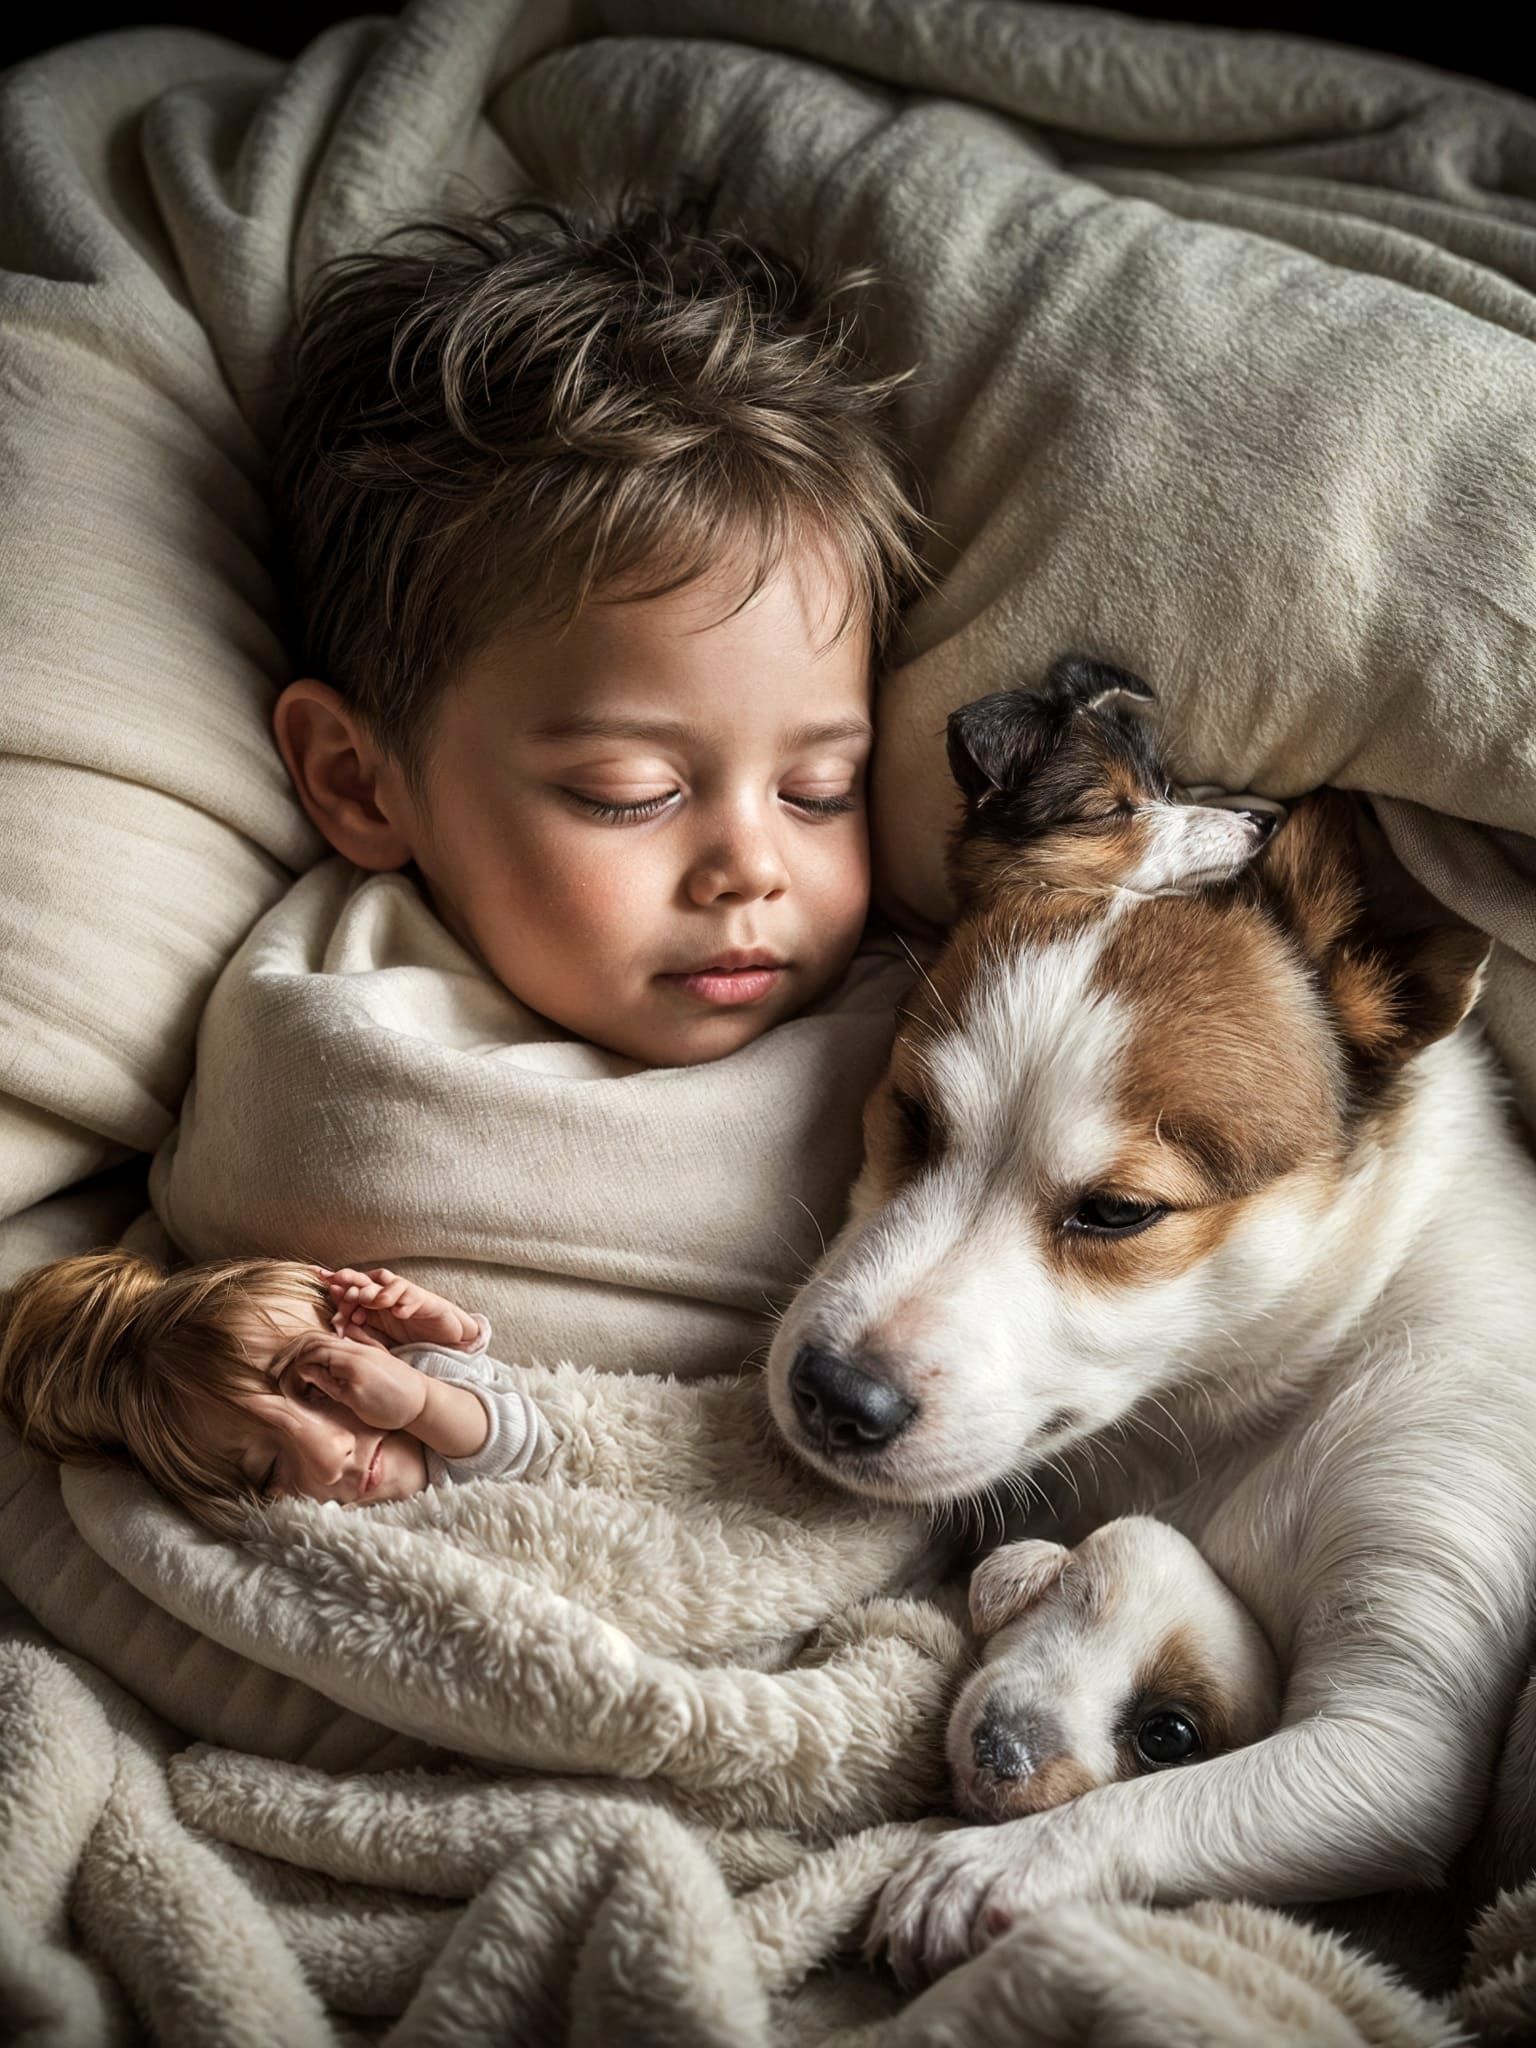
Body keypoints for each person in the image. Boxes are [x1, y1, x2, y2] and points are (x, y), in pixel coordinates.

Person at [267, 191, 927, 1068]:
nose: (752, 869)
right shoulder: (345, 1047)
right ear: (358, 781)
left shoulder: (916, 1014)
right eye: (628, 793)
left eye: (819, 790)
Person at [0, 1254, 541, 1536]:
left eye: (319, 1387)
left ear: (362, 1332)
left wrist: (427, 1388)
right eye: (264, 1472)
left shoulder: (421, 1379)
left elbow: (530, 1446)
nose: (328, 1458)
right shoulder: (310, 1534)